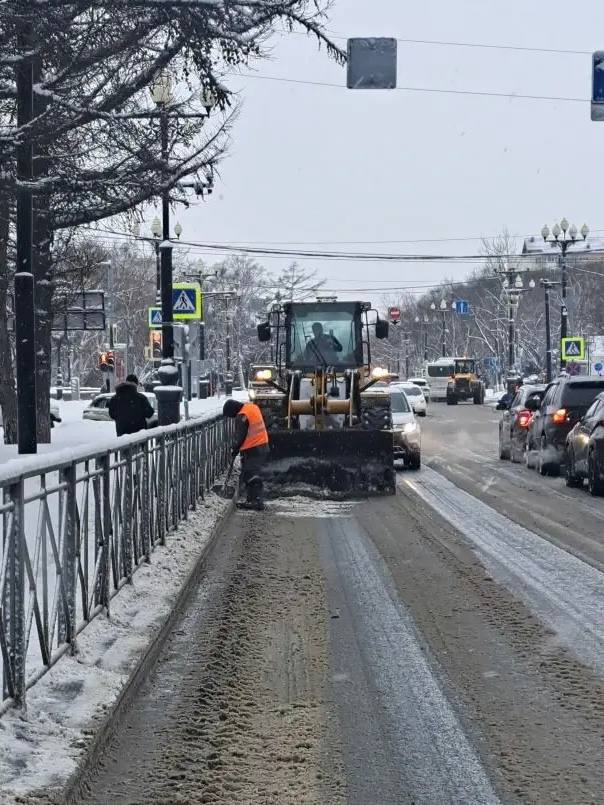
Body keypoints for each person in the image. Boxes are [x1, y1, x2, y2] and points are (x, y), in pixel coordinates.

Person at [223, 398, 269, 511]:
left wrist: (235, 449)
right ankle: (254, 500)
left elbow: (240, 437)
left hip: (253, 449)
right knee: (254, 474)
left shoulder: (241, 416)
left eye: (231, 415)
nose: (232, 417)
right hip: (262, 445)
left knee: (251, 475)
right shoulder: (252, 407)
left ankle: (256, 502)